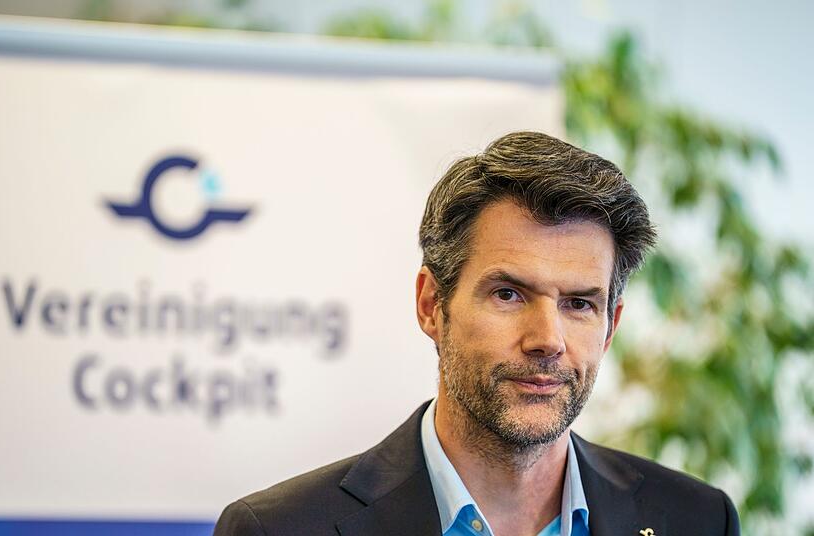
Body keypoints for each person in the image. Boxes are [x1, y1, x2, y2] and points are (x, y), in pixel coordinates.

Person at [214, 131, 740, 536]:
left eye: (579, 304)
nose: (547, 339)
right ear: (431, 305)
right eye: (508, 294)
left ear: (610, 328)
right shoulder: (278, 529)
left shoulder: (696, 520)